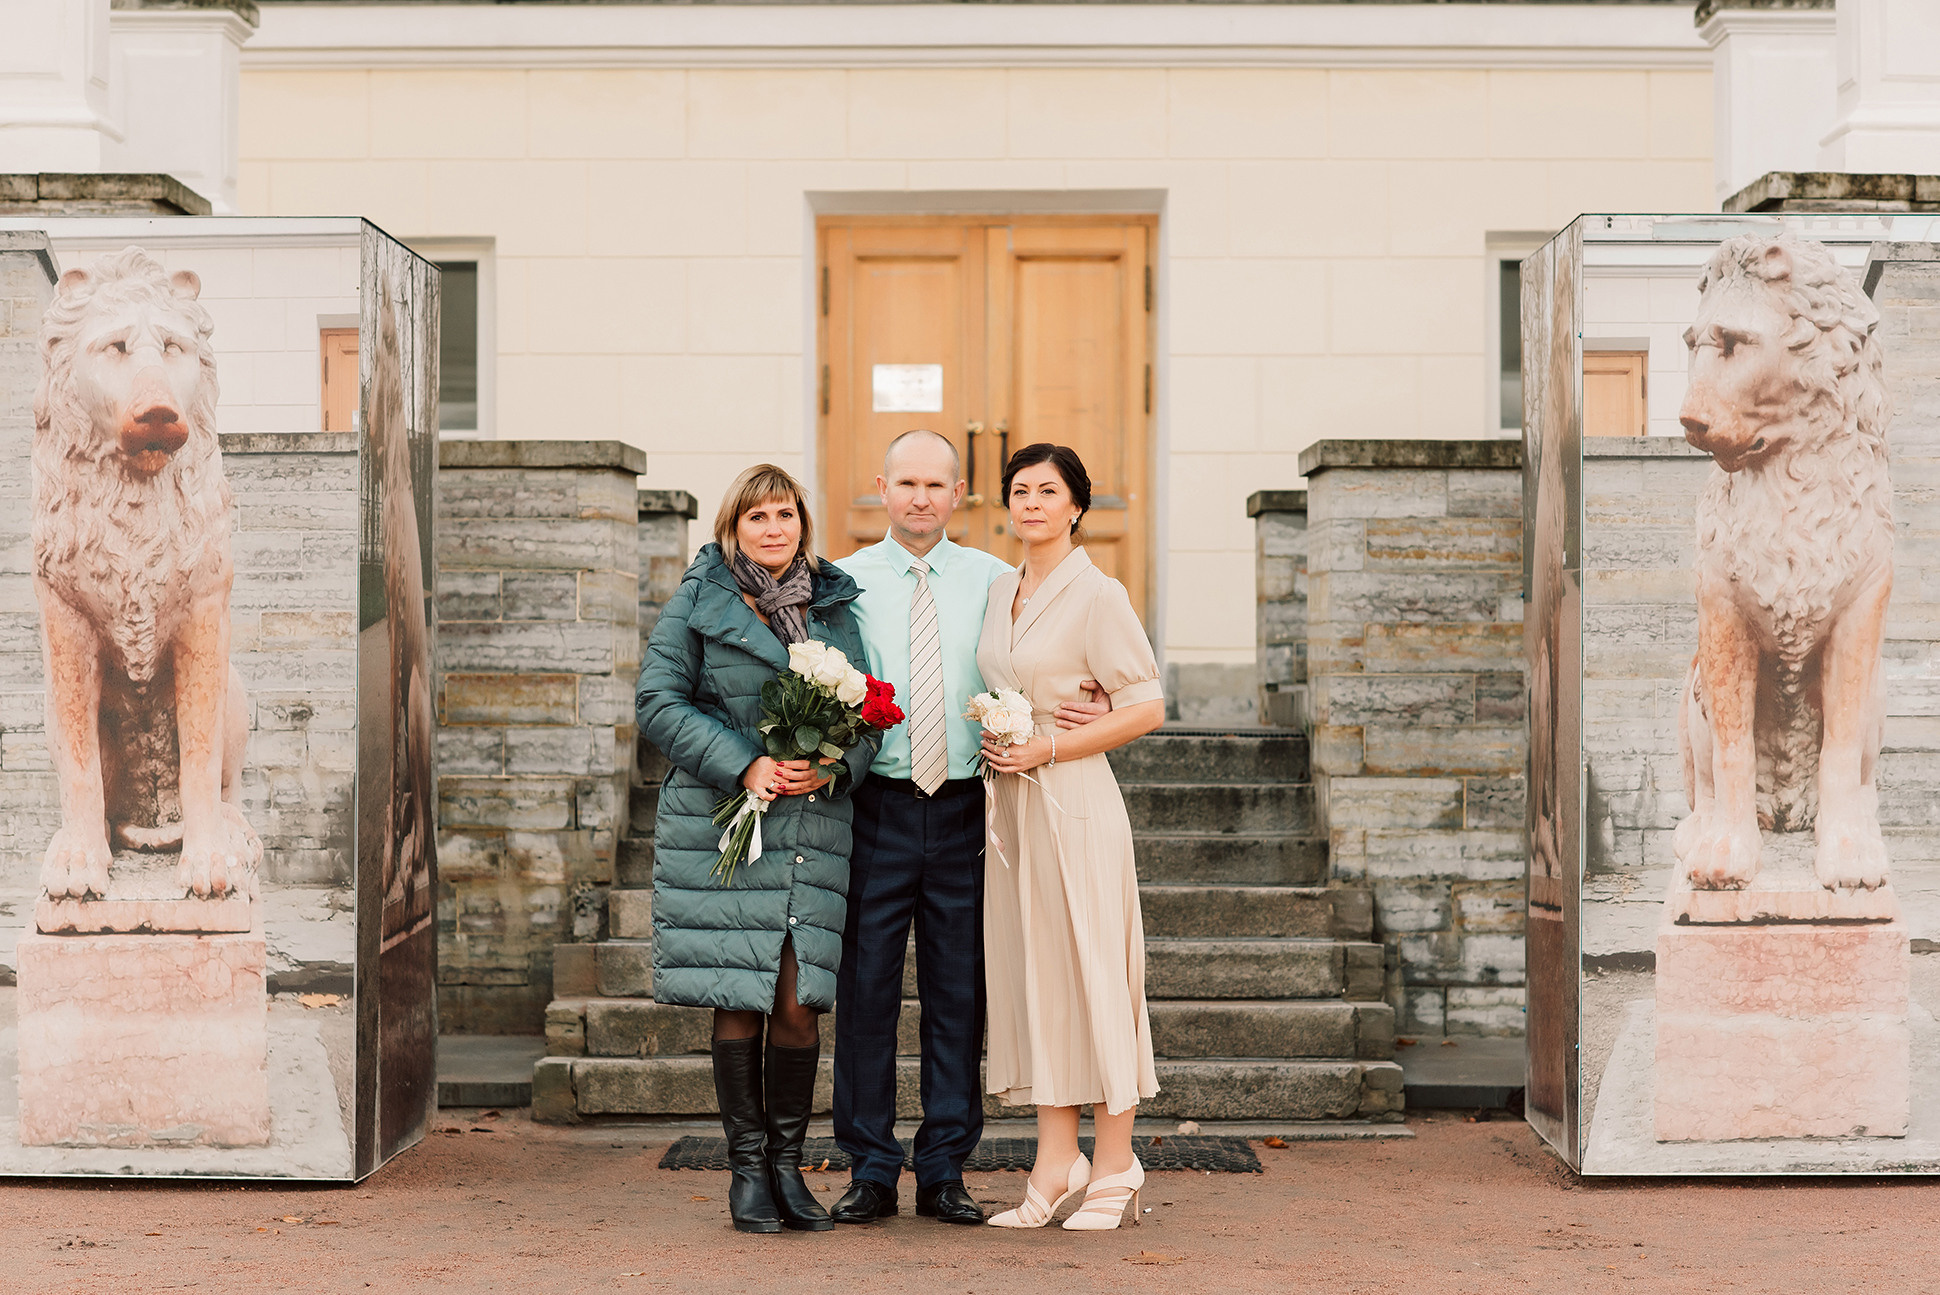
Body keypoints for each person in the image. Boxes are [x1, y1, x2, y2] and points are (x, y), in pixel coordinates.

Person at [828, 430, 1108, 1227]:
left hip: (967, 806)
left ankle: (945, 1166)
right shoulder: (842, 582)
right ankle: (871, 1167)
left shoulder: (998, 580)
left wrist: (1099, 702)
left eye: (936, 484)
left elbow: (1056, 655)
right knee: (866, 992)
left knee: (959, 994)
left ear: (958, 495)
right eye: (906, 482)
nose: (921, 497)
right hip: (874, 807)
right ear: (882, 486)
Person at [636, 464, 878, 1236]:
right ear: (731, 528)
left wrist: (836, 760)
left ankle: (787, 1167)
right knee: (740, 997)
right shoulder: (701, 599)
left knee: (798, 1001)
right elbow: (656, 700)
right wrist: (745, 761)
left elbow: (871, 710)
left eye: (786, 514)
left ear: (803, 522)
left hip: (811, 829)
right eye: (756, 517)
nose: (774, 529)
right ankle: (746, 1173)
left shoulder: (834, 606)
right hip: (727, 822)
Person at [976, 443, 1167, 1232]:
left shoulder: (1100, 593)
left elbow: (1147, 704)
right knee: (1036, 977)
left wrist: (1052, 742)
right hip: (1012, 811)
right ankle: (1056, 1162)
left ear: (1076, 506)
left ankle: (1116, 1158)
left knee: (1093, 973)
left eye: (1047, 491)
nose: (1031, 503)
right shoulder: (1000, 589)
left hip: (1076, 803)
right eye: (1019, 490)